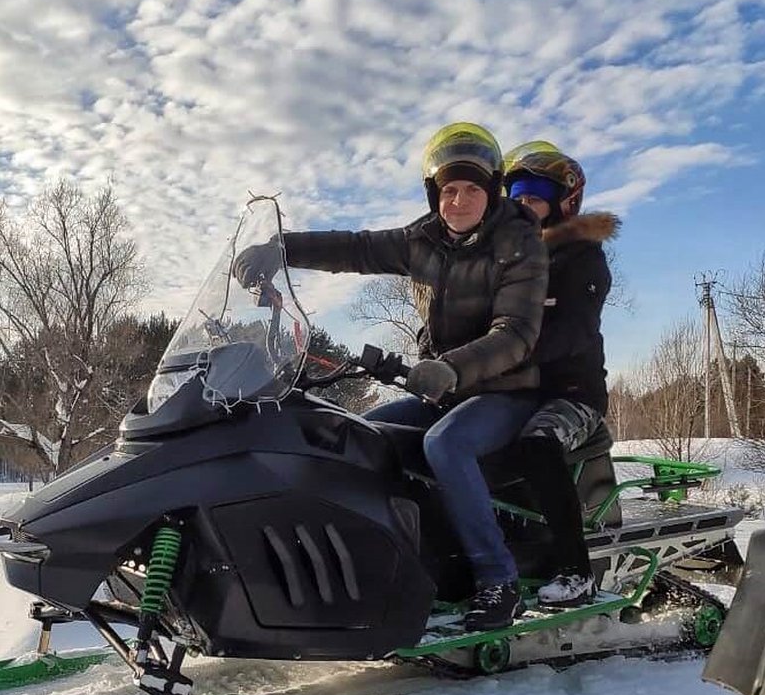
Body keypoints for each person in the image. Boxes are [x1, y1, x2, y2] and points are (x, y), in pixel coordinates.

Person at [234, 122, 548, 631]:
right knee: (357, 436)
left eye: (472, 190)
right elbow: (355, 248)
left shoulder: (519, 243)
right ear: (435, 195)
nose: (460, 201)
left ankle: (498, 580)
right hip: (442, 391)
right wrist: (280, 248)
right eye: (449, 190)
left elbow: (516, 334)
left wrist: (450, 367)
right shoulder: (423, 241)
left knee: (446, 446)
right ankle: (402, 565)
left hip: (505, 392)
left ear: (492, 193)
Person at [502, 141, 620, 607]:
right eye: (514, 199)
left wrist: (509, 356)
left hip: (572, 393)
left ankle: (576, 568)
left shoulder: (581, 258)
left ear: (562, 202)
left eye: (532, 198)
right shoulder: (506, 258)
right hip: (512, 390)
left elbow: (573, 330)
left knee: (537, 444)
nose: (522, 207)